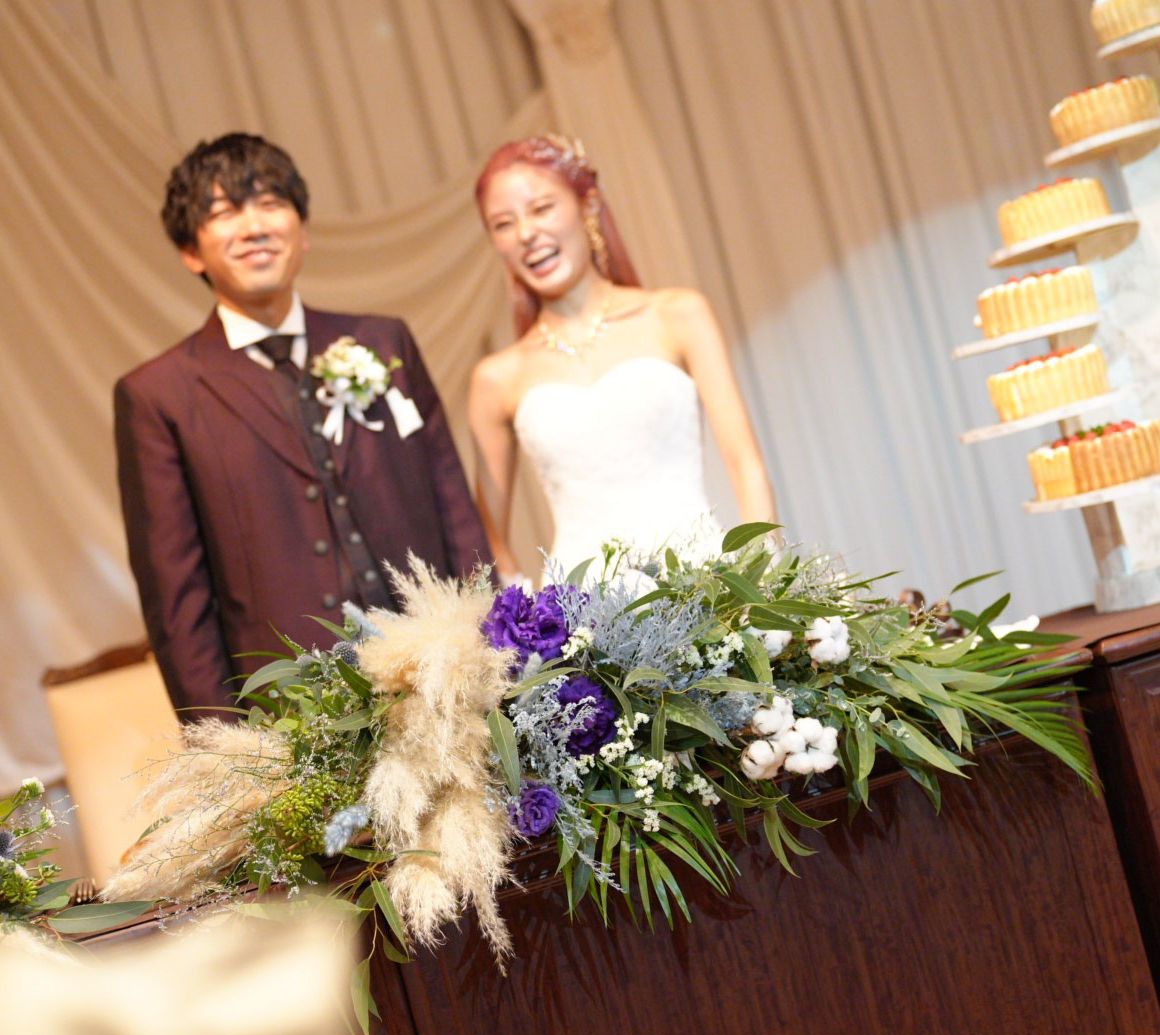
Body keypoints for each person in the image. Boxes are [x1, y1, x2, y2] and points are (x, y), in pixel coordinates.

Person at [115, 133, 489, 720]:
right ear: (191, 251)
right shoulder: (160, 395)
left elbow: (453, 507)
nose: (254, 227)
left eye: (270, 204)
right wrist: (223, 747)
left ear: (303, 230)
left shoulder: (382, 341)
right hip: (294, 713)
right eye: (225, 213)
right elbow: (175, 599)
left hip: (446, 676)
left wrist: (494, 644)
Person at [468, 134, 779, 580]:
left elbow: (746, 463)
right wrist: (526, 608)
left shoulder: (678, 314)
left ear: (588, 206)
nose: (526, 234)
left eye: (541, 208)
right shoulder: (496, 378)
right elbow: (486, 535)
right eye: (503, 224)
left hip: (702, 588)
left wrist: (763, 581)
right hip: (582, 608)